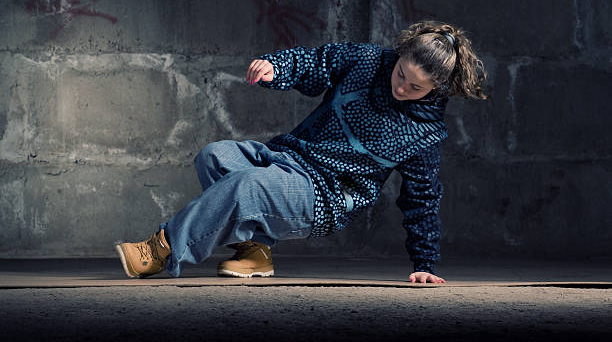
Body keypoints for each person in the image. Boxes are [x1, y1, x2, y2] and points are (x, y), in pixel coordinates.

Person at [115, 19, 486, 283]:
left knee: (248, 187)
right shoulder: (368, 61)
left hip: (325, 196)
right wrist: (275, 68)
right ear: (401, 54)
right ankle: (255, 253)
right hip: (290, 158)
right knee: (215, 156)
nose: (402, 88)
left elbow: (421, 199)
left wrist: (426, 263)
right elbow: (317, 61)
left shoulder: (423, 134)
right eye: (402, 74)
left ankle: (161, 249)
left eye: (415, 87)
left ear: (437, 88)